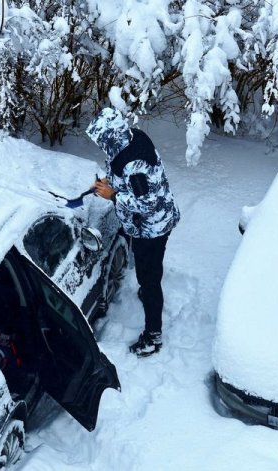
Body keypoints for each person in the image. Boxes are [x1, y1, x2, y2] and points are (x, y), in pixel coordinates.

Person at [86, 108, 180, 357]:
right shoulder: (130, 139)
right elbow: (121, 171)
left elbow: (146, 203)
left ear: (111, 137)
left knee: (150, 279)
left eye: (101, 141)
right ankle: (148, 291)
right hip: (148, 223)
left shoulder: (135, 165)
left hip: (152, 229)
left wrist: (113, 195)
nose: (100, 146)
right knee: (147, 272)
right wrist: (109, 182)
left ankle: (153, 336)